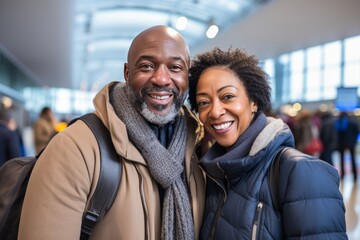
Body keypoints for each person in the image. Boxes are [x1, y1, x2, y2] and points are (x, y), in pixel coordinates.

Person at [18, 25, 205, 240]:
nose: (161, 79)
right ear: (127, 73)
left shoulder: (200, 146)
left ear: (187, 75)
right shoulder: (75, 148)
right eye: (146, 66)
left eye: (175, 67)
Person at [188, 47, 347, 239]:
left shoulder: (300, 171)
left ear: (254, 101)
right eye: (204, 102)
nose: (214, 111)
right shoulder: (214, 174)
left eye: (227, 97)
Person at [336, 111, 360, 181]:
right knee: (353, 159)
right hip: (351, 143)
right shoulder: (353, 122)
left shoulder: (339, 122)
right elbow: (357, 131)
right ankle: (355, 176)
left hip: (342, 143)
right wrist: (354, 140)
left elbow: (337, 134)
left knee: (341, 160)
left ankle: (342, 175)